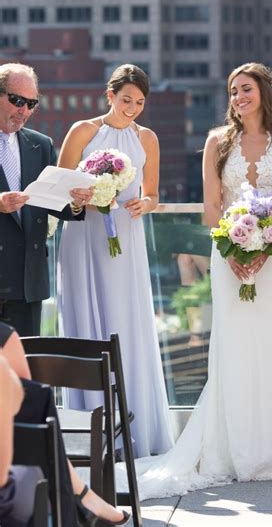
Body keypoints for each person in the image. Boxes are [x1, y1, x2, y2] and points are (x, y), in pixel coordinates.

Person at [116, 63, 272, 498]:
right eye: (234, 90)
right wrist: (236, 251)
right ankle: (230, 450)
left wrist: (268, 245)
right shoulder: (217, 142)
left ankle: (271, 454)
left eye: (247, 89)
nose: (239, 96)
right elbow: (212, 208)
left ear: (265, 93)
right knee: (233, 347)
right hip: (228, 256)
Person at [57, 64, 173, 459]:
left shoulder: (148, 138)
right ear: (110, 96)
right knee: (86, 324)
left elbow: (154, 193)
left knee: (126, 321)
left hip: (125, 233)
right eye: (126, 100)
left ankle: (135, 429)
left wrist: (146, 203)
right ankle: (86, 434)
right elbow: (60, 186)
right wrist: (81, 198)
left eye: (140, 103)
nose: (133, 109)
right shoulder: (82, 131)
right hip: (84, 236)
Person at [0, 320, 130, 526]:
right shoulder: (5, 344)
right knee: (34, 402)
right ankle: (81, 496)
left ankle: (82, 494)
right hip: (10, 500)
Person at [0, 63, 92, 337]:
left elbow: (57, 203)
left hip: (27, 283)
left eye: (32, 104)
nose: (24, 111)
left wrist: (77, 201)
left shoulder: (41, 145)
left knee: (26, 372)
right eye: (17, 100)